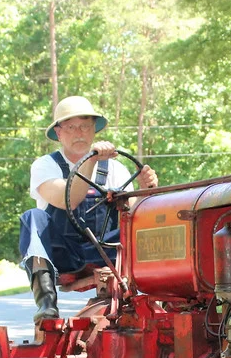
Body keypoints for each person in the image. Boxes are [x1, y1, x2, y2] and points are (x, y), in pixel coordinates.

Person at [19, 96, 158, 324]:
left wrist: (145, 190)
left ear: (94, 130)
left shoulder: (116, 169)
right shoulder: (45, 166)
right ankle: (46, 304)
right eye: (71, 127)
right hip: (65, 255)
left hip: (110, 253)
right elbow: (69, 200)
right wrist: (90, 160)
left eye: (84, 126)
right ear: (59, 133)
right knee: (32, 218)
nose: (79, 133)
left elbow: (134, 217)